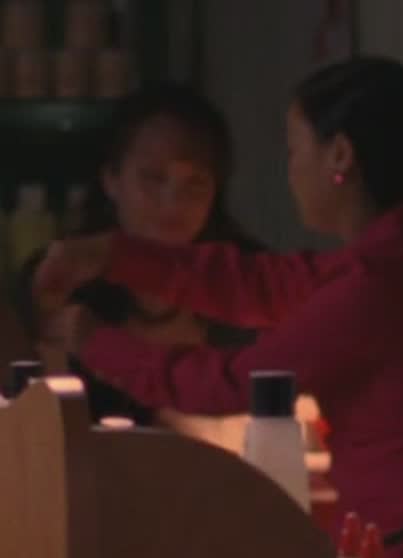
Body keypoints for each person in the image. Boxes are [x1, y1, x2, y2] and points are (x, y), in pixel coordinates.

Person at [33, 57, 403, 558]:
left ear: (339, 155)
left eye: (294, 150)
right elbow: (264, 284)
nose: (291, 171)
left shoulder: (383, 278)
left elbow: (235, 382)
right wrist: (113, 255)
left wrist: (92, 340)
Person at [11, 82, 261, 422]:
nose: (172, 202)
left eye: (195, 183)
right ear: (112, 179)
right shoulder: (65, 279)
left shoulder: (249, 282)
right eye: (153, 178)